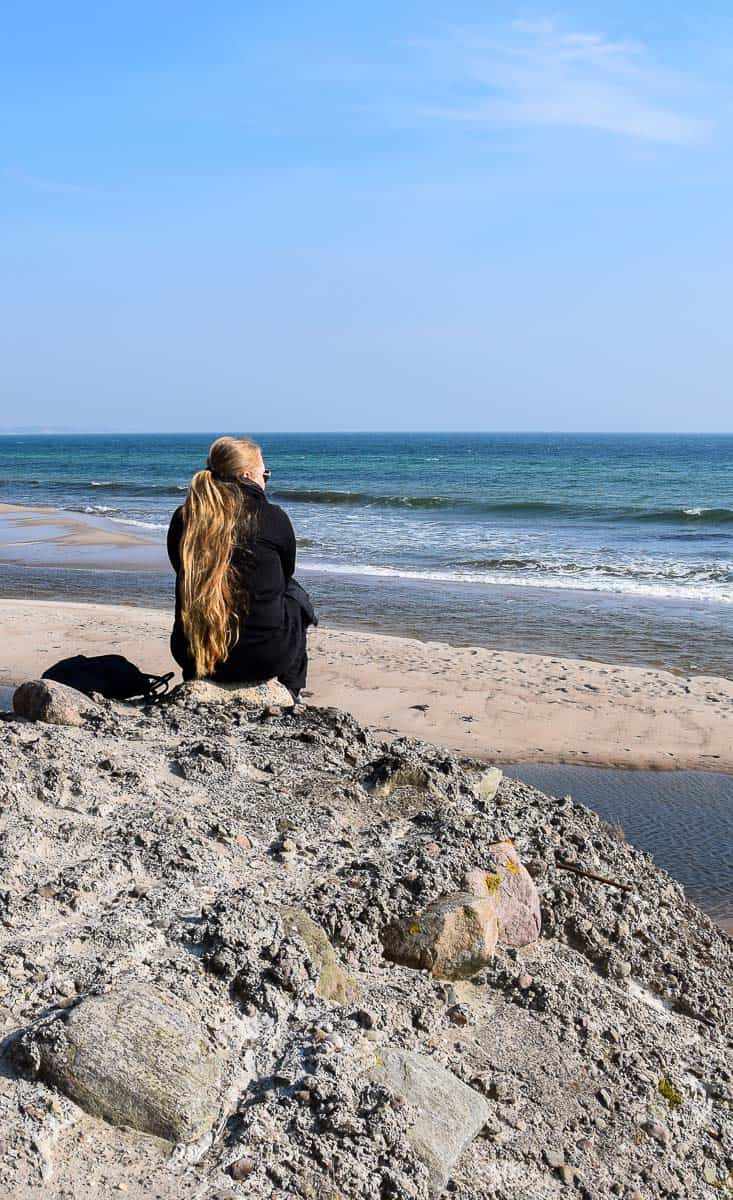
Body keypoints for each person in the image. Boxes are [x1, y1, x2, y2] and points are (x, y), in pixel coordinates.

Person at [167, 435, 316, 699]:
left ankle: (202, 670)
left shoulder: (185, 517)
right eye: (265, 474)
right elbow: (286, 573)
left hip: (192, 655)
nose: (265, 481)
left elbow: (179, 567)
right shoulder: (273, 517)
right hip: (264, 658)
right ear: (248, 475)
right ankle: (292, 689)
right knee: (295, 593)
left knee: (199, 583)